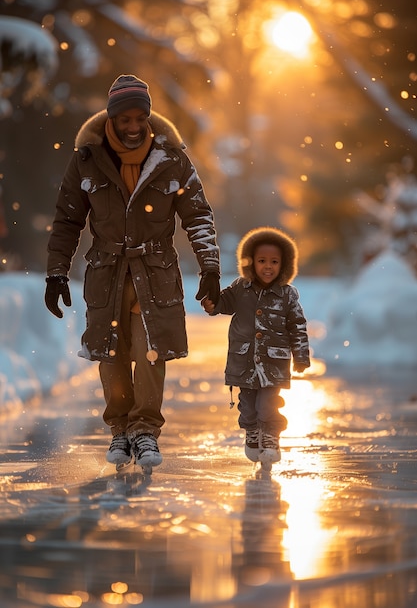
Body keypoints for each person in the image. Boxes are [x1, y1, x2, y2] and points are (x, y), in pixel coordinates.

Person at [45, 74, 220, 471]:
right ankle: (120, 429)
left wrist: (209, 266)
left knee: (150, 351)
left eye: (140, 117)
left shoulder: (172, 158)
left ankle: (145, 431)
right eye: (125, 119)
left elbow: (198, 215)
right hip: (107, 275)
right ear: (111, 119)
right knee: (112, 355)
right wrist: (57, 273)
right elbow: (67, 220)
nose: (133, 126)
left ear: (148, 116)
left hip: (154, 274)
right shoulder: (87, 159)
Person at [202, 226, 310, 467]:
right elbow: (224, 302)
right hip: (245, 362)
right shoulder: (241, 288)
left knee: (267, 405)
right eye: (262, 261)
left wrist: (301, 356)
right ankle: (252, 431)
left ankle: (270, 437)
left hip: (274, 363)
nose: (268, 266)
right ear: (251, 262)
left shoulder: (287, 295)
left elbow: (298, 326)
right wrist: (212, 303)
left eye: (274, 261)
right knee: (248, 406)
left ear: (285, 264)